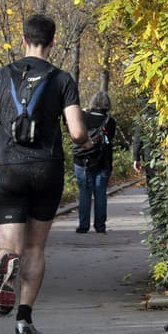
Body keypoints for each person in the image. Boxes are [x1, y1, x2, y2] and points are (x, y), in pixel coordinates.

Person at [0, 14, 92, 334]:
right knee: (35, 247)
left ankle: (7, 264)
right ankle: (24, 320)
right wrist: (88, 142)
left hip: (9, 169)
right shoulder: (62, 79)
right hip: (46, 170)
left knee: (8, 247)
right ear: (52, 42)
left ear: (23, 40)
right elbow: (78, 132)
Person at [72, 91, 117, 234]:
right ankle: (100, 226)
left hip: (82, 161)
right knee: (100, 193)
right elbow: (109, 140)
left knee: (84, 193)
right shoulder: (110, 121)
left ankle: (83, 226)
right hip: (103, 161)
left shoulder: (83, 117)